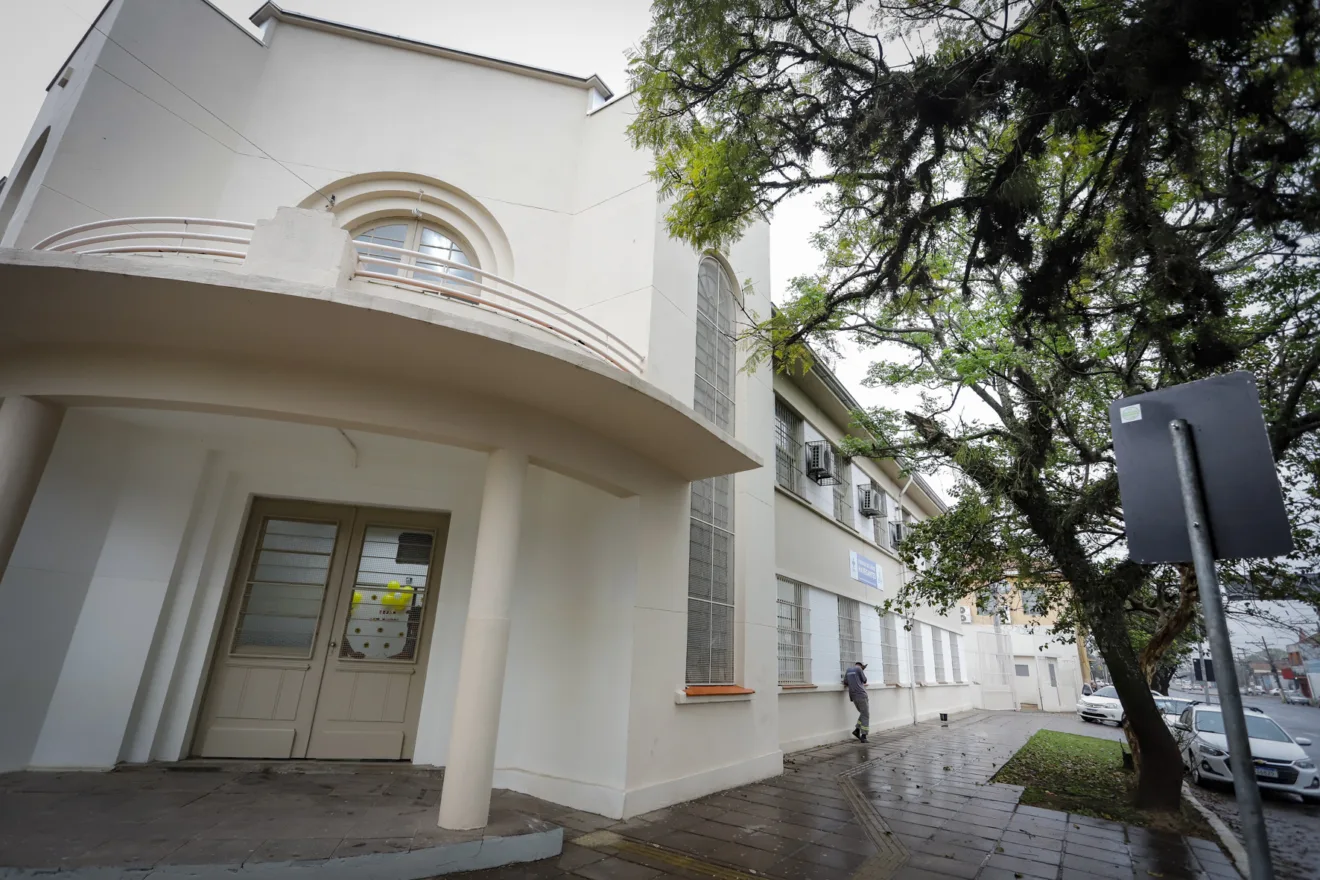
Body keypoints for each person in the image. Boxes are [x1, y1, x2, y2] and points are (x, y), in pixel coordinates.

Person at [843, 661, 869, 742]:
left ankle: (857, 730)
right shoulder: (859, 669)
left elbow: (845, 682)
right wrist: (862, 670)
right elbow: (864, 680)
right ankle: (863, 736)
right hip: (861, 695)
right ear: (861, 666)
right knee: (865, 715)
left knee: (863, 713)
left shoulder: (848, 670)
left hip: (853, 696)